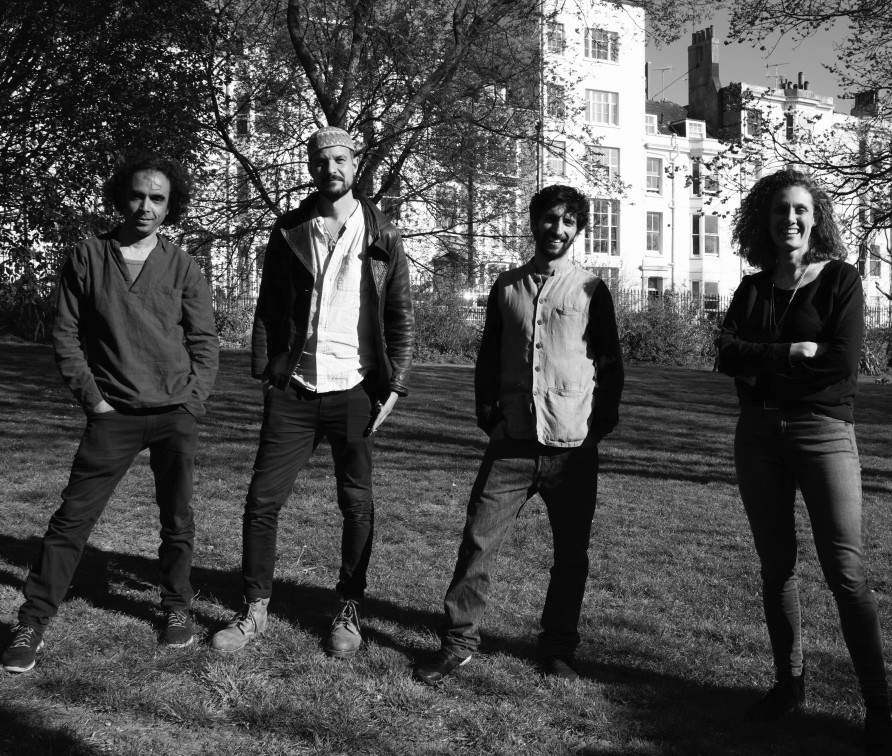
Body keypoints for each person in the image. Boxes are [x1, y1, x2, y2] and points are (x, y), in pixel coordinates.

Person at [1, 154, 219, 674]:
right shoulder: (88, 256)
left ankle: (176, 607)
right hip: (112, 415)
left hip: (174, 413)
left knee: (177, 518)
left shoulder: (183, 265)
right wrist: (94, 401)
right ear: (122, 196)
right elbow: (65, 335)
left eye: (158, 198)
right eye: (138, 195)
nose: (146, 206)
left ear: (170, 206)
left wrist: (192, 402)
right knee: (71, 520)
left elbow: (205, 342)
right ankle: (32, 622)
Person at [210, 126, 414, 658]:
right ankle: (255, 609)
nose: (331, 169)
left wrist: (395, 386)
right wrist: (265, 373)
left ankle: (348, 608)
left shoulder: (383, 233)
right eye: (322, 161)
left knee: (357, 504)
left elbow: (399, 316)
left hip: (356, 389)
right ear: (311, 167)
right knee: (262, 501)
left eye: (341, 159)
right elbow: (268, 307)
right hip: (294, 390)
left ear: (355, 164)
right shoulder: (289, 229)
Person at [413, 184, 623, 685]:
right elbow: (488, 358)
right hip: (511, 443)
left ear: (579, 229)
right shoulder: (506, 286)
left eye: (568, 221)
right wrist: (491, 417)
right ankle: (458, 643)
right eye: (549, 219)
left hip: (572, 447)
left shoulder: (592, 290)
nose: (557, 229)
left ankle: (558, 649)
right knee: (478, 543)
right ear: (534, 222)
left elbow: (610, 364)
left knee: (570, 555)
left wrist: (597, 428)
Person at [718, 169, 892, 753]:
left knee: (847, 572)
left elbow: (841, 366)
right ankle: (787, 685)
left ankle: (879, 706)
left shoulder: (841, 279)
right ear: (764, 221)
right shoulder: (753, 287)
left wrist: (762, 367)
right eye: (778, 211)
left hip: (824, 433)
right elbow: (726, 355)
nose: (788, 219)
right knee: (776, 568)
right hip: (758, 436)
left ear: (816, 219)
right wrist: (791, 352)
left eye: (799, 210)